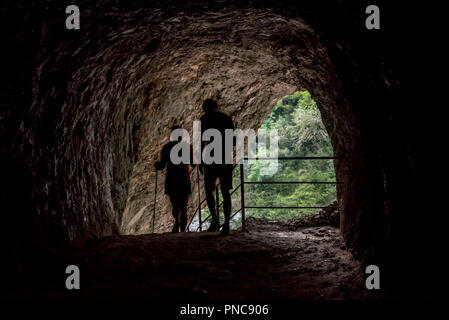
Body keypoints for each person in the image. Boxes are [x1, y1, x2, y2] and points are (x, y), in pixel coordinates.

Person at [200, 99, 235, 236]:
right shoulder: (226, 118)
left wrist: (201, 161)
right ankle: (226, 224)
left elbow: (201, 141)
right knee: (225, 192)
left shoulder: (204, 119)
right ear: (217, 107)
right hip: (225, 157)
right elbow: (232, 141)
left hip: (210, 158)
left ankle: (215, 220)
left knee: (209, 191)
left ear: (205, 108)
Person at [155, 126, 193, 233]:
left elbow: (162, 165)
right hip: (184, 179)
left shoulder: (166, 147)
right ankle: (183, 229)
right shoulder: (187, 147)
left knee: (175, 205)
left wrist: (157, 165)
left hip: (171, 179)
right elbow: (193, 163)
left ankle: (177, 222)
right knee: (184, 206)